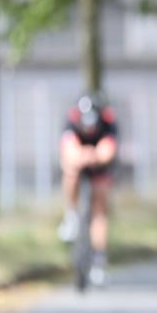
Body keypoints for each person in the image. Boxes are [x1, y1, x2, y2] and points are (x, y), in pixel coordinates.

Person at [57, 93, 118, 287]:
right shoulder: (71, 120)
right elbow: (69, 150)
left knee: (99, 211)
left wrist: (95, 156)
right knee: (70, 172)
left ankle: (99, 262)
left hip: (100, 168)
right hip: (81, 162)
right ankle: (71, 214)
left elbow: (107, 152)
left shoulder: (108, 122)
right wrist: (83, 156)